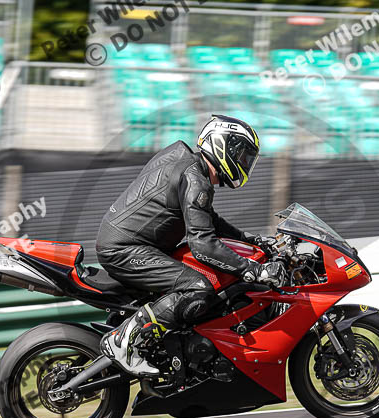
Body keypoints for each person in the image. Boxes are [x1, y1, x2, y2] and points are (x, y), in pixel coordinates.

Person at [96, 115, 285, 376]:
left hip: (130, 243)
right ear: (222, 146)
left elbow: (208, 221)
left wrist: (249, 240)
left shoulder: (188, 165)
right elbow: (203, 244)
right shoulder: (195, 179)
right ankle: (125, 343)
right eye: (241, 155)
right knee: (198, 288)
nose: (244, 163)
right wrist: (253, 269)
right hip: (125, 249)